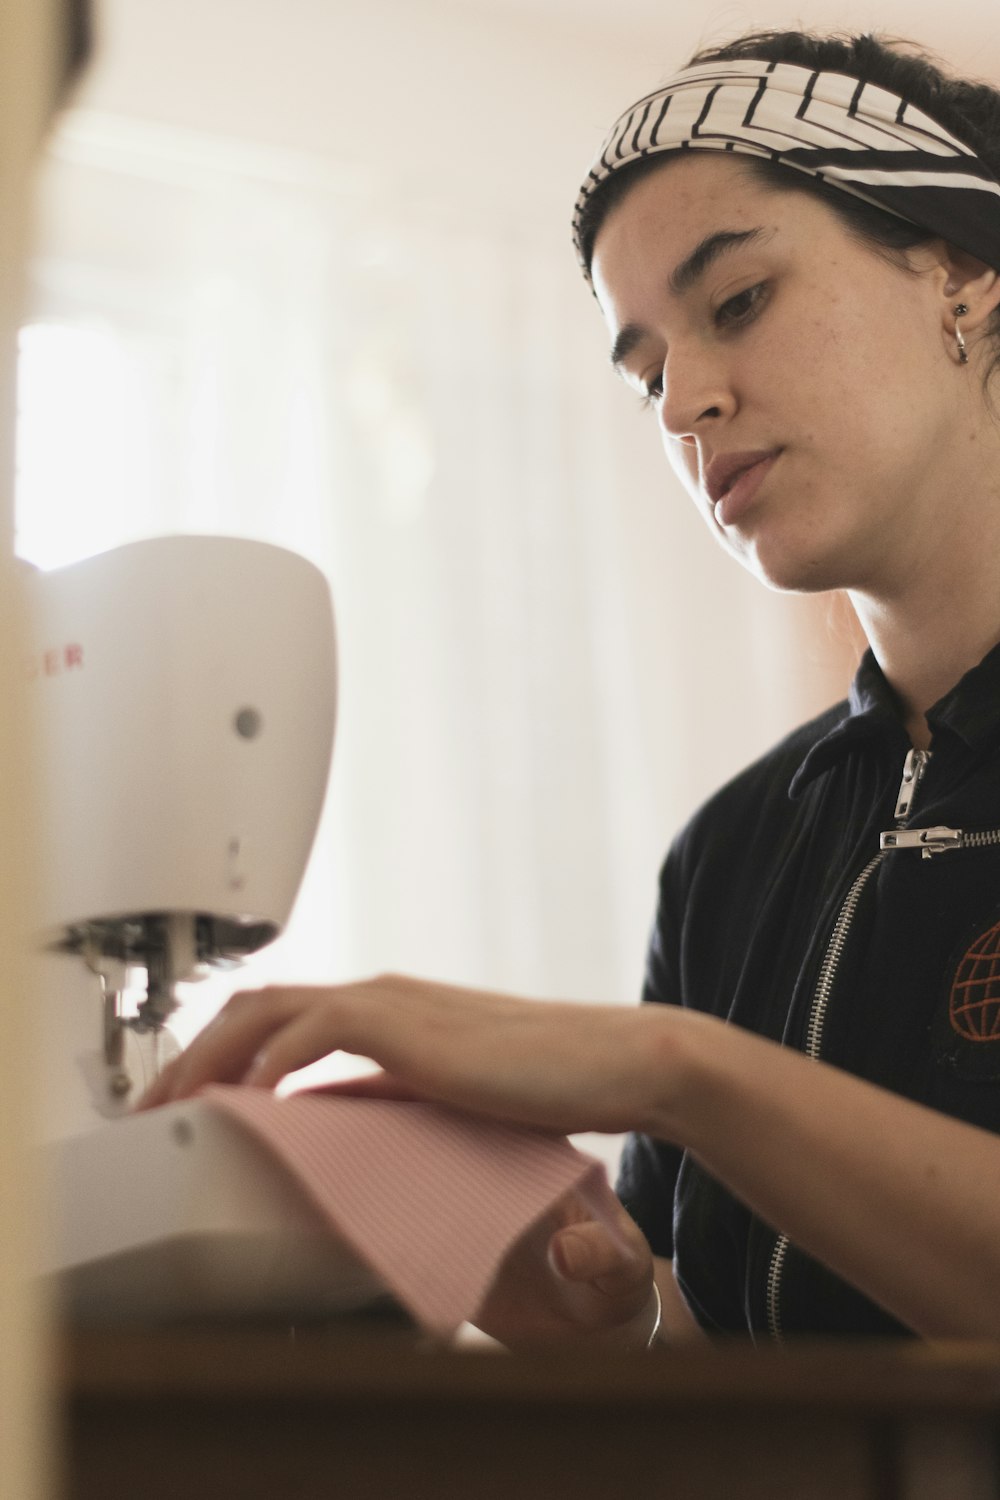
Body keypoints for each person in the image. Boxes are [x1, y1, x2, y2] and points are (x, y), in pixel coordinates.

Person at [140, 28, 1000, 1346]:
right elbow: (734, 1389)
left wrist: (672, 1075)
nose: (682, 404)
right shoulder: (731, 853)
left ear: (964, 274)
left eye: (739, 303)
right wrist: (615, 1317)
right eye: (648, 368)